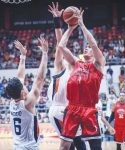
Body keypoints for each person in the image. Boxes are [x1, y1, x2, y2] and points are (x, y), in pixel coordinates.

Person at [57, 9, 110, 150]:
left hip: (89, 109)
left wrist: (81, 24)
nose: (87, 48)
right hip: (72, 108)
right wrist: (69, 28)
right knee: (64, 146)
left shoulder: (99, 64)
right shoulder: (76, 63)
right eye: (85, 47)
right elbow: (61, 46)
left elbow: (93, 44)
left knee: (95, 147)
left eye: (89, 47)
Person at [47, 2, 86, 150]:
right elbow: (60, 44)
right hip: (59, 110)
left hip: (70, 111)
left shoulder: (79, 73)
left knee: (74, 143)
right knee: (72, 144)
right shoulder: (60, 67)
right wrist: (58, 22)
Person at [6, 36, 48, 150]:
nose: (24, 86)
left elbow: (19, 77)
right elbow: (40, 79)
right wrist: (44, 53)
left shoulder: (12, 102)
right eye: (23, 87)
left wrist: (23, 56)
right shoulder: (28, 103)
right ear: (22, 92)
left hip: (16, 146)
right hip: (29, 147)